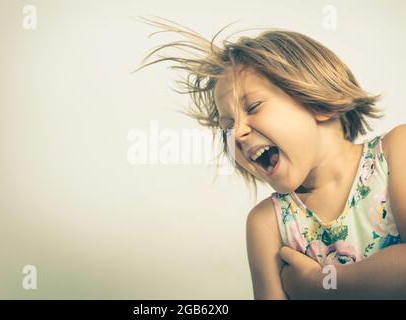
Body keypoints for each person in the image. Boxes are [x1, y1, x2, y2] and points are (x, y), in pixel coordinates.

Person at [134, 16, 406, 299]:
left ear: (317, 101)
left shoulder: (397, 152)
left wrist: (320, 283)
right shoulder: (267, 225)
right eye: (226, 127)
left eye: (252, 106)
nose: (236, 133)